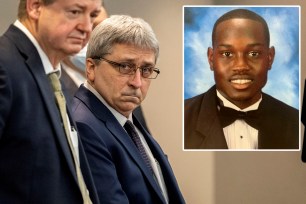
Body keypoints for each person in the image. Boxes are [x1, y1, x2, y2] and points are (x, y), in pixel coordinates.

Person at [71, 15, 185, 203]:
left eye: (146, 69)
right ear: (91, 68)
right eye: (125, 67)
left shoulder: (127, 119)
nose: (137, 82)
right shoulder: (83, 125)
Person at [0, 0, 102, 203]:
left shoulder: (53, 76)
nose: (87, 28)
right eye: (75, 12)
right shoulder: (5, 66)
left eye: (92, 15)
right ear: (35, 6)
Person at [184, 9, 299, 150]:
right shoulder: (181, 118)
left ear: (270, 58)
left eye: (253, 53)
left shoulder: (296, 123)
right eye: (227, 53)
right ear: (211, 59)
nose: (241, 66)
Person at [61, 6, 150, 132]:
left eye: (102, 30)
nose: (90, 33)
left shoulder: (129, 85)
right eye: (92, 27)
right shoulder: (52, 87)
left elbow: (142, 144)